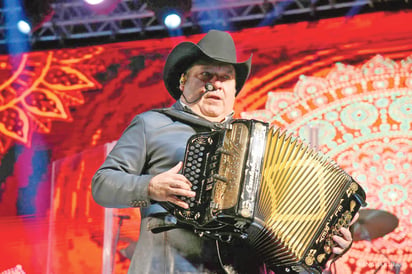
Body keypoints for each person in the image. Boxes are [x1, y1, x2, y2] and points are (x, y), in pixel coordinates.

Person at [92, 29, 356, 274]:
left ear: (233, 91)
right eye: (206, 75)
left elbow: (282, 223)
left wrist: (322, 246)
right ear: (183, 82)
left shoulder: (257, 146)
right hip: (172, 264)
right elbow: (102, 184)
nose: (215, 84)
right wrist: (151, 187)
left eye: (225, 78)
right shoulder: (152, 124)